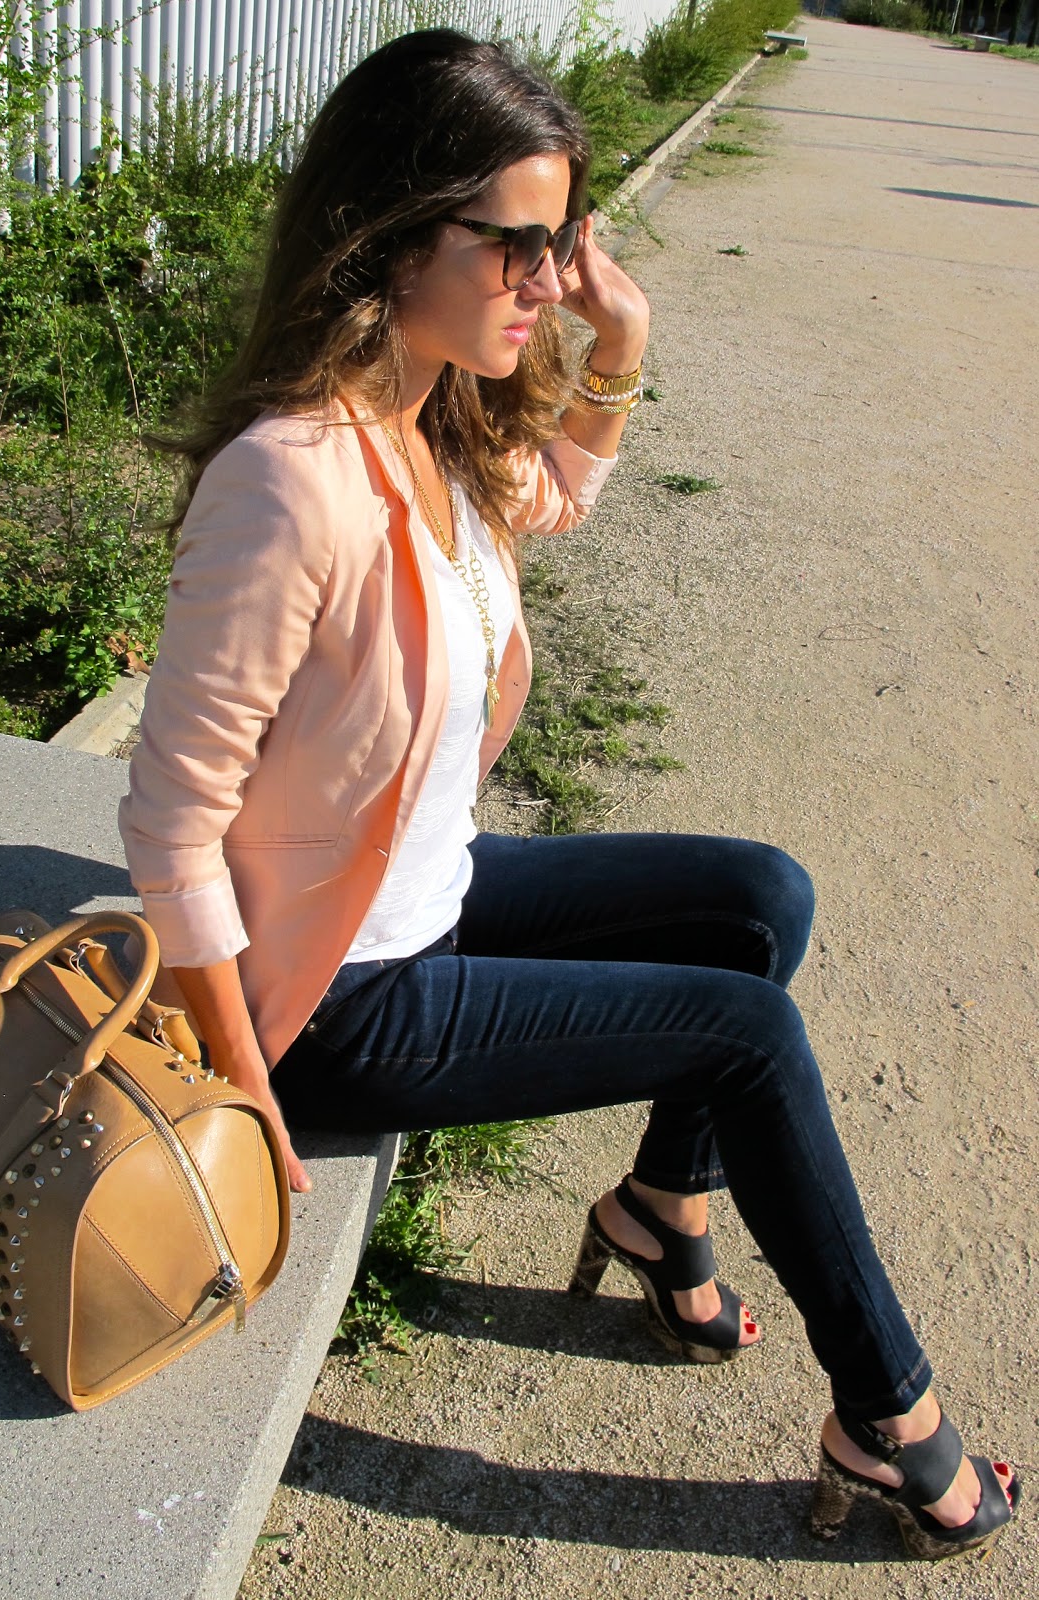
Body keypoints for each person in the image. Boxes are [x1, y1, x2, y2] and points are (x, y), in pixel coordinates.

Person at [118, 28, 1018, 1562]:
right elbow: (169, 822)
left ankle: (663, 1210)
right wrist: (250, 1086)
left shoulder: (431, 418)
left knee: (759, 898)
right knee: (745, 1031)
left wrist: (622, 345)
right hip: (333, 1000)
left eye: (561, 242)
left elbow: (545, 506)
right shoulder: (287, 480)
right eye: (517, 247)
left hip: (433, 896)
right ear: (391, 232)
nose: (547, 282)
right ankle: (887, 1418)